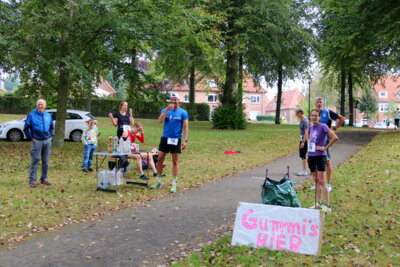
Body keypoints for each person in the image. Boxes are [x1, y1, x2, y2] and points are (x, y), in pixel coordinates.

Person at [151, 94, 189, 193]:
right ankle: (159, 182)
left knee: (175, 161)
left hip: (176, 139)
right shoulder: (165, 110)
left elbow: (185, 127)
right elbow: (159, 121)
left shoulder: (183, 112)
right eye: (171, 100)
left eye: (175, 100)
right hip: (165, 138)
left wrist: (185, 140)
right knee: (159, 159)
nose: (173, 102)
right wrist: (167, 110)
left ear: (178, 100)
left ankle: (174, 183)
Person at [305, 109, 338, 213]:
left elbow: (334, 137)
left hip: (320, 156)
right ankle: (318, 203)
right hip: (311, 155)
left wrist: (325, 147)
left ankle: (327, 206)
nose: (314, 117)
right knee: (315, 180)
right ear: (310, 117)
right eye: (312, 116)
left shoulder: (323, 126)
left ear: (319, 117)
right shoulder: (310, 127)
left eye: (316, 115)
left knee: (322, 181)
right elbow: (309, 139)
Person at [315, 97, 345, 192]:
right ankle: (318, 183)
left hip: (326, 141)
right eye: (317, 102)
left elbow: (342, 119)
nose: (319, 103)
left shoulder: (327, 112)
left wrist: (334, 128)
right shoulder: (314, 113)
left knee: (327, 162)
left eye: (320, 102)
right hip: (316, 141)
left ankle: (328, 184)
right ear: (315, 103)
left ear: (322, 103)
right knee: (317, 162)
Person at [23, 99, 54, 188]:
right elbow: (26, 128)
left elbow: (51, 127)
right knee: (35, 160)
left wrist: (51, 136)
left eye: (42, 104)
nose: (40, 106)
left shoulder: (48, 115)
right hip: (36, 141)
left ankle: (44, 179)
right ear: (37, 105)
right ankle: (32, 180)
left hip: (47, 141)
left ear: (45, 105)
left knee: (46, 161)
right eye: (39, 104)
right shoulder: (31, 115)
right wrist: (31, 138)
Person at [295, 108, 309, 176]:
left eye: (297, 113)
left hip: (304, 139)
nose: (296, 115)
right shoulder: (302, 120)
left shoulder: (305, 121)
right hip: (302, 139)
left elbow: (306, 132)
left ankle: (304, 171)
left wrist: (303, 142)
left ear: (300, 113)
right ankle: (309, 169)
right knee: (302, 154)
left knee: (303, 155)